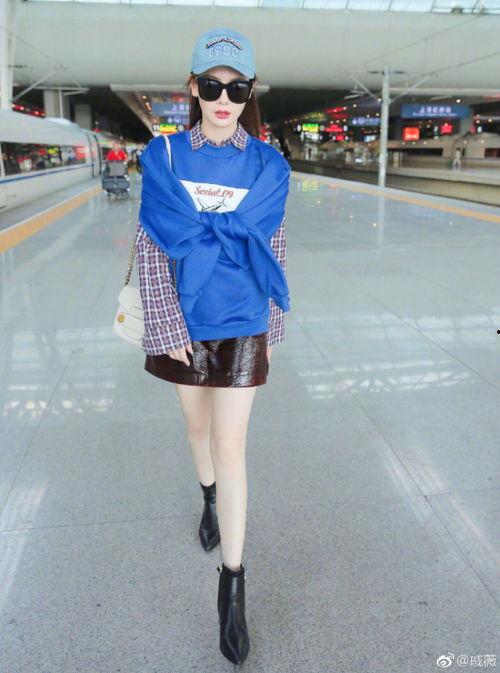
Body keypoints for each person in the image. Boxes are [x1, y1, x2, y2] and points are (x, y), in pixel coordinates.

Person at [135, 27, 291, 666]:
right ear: (192, 88)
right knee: (197, 431)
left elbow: (274, 250)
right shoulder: (166, 157)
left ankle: (233, 584)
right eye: (212, 86)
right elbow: (150, 248)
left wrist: (274, 330)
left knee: (232, 447)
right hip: (183, 323)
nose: (224, 100)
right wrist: (167, 329)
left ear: (250, 92)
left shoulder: (268, 165)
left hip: (245, 320)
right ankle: (207, 496)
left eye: (237, 88)